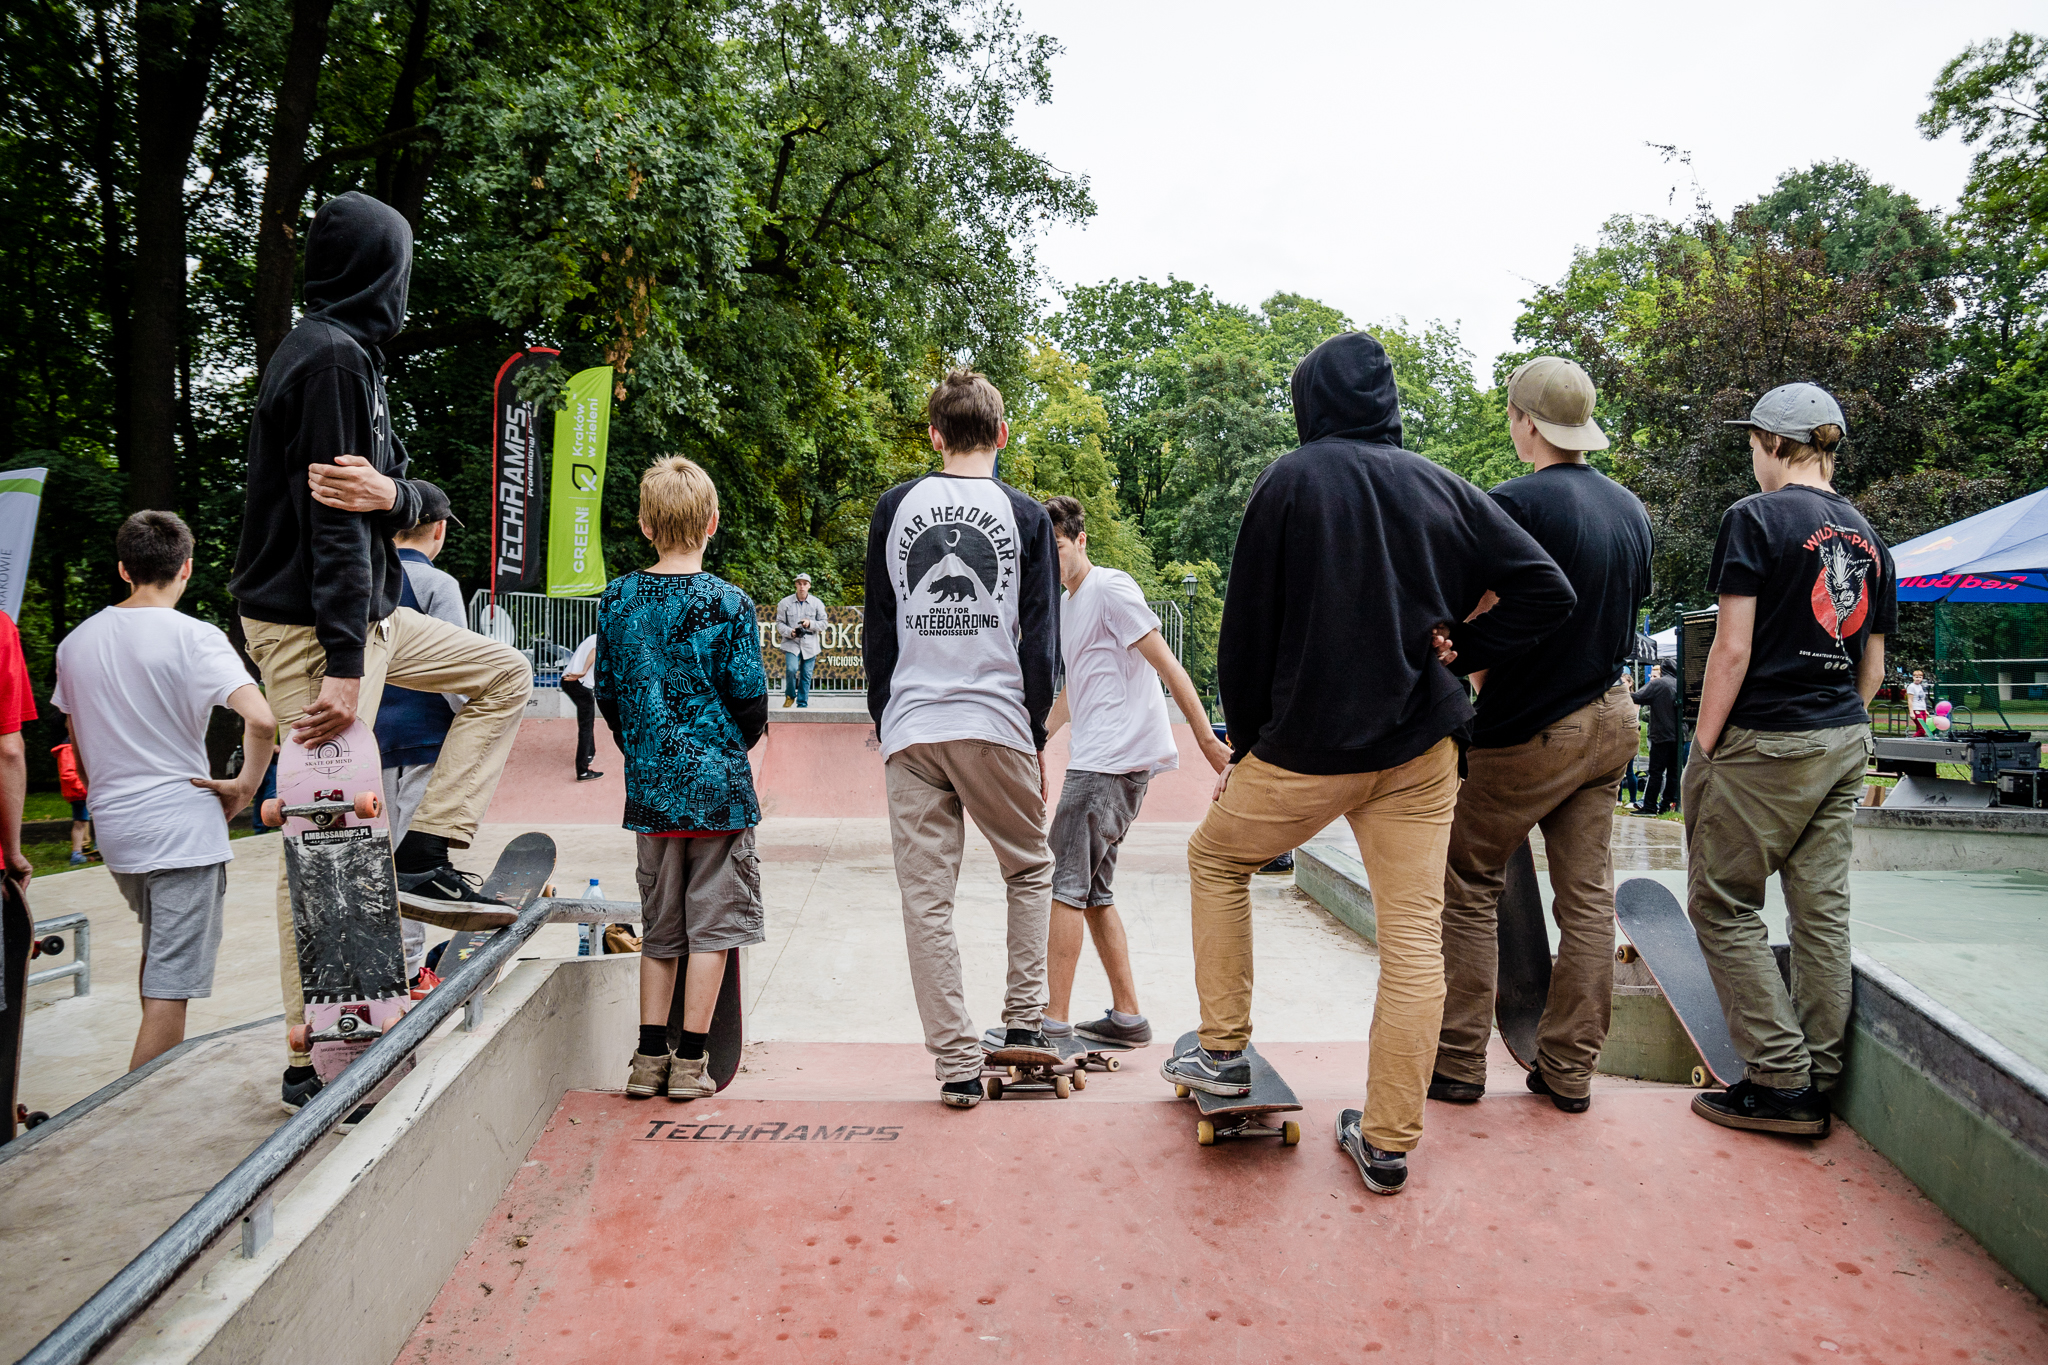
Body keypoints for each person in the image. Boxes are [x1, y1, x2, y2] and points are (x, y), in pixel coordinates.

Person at [1164, 332, 1575, 1196]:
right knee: (1414, 937)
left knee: (1216, 857)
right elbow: (1549, 587)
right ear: (1386, 405)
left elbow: (1243, 633)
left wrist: (1242, 745)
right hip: (1421, 747)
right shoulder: (1438, 484)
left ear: (1312, 401)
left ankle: (1226, 1050)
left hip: (1306, 748)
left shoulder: (1290, 479)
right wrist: (1463, 649)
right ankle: (1387, 1138)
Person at [228, 191, 533, 1111]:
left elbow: (405, 499)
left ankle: (429, 847)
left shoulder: (352, 358)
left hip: (374, 615)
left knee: (501, 673)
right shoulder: (325, 359)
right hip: (314, 626)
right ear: (377, 272)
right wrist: (344, 664)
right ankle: (310, 1044)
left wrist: (395, 496)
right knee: (328, 832)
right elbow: (331, 522)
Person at [1430, 357, 1653, 1115]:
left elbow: (1483, 609)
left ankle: (1458, 1058)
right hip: (1613, 718)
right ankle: (1568, 1070)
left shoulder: (1513, 503)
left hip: (1533, 728)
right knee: (1587, 897)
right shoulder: (1630, 509)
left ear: (1525, 422)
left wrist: (1465, 651)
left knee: (1468, 877)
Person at [1686, 383, 1893, 1139]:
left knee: (1721, 901)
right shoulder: (1870, 537)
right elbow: (1873, 668)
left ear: (1776, 443)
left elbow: (1731, 649)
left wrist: (1704, 747)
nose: (1752, 457)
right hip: (1844, 737)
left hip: (1767, 738)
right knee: (1820, 910)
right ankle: (1820, 1076)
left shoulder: (1753, 519)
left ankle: (1779, 1081)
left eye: (1753, 444)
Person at [864, 369, 1063, 1109]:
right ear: (1002, 435)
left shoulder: (895, 507)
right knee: (1029, 869)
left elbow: (879, 625)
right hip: (995, 721)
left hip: (914, 726)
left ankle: (954, 1064)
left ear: (935, 436)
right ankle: (1022, 1021)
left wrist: (887, 721)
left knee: (927, 900)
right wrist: (1034, 731)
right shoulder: (1025, 516)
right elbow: (1042, 638)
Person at [53, 512, 277, 1071]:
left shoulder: (75, 644)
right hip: (181, 830)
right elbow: (262, 721)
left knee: (160, 960)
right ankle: (132, 1112)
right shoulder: (196, 637)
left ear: (124, 568)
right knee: (172, 983)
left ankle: (142, 1084)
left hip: (118, 831)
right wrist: (246, 786)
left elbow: (76, 737)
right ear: (186, 567)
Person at [599, 457, 769, 1101]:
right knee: (715, 928)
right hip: (719, 791)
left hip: (650, 787)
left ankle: (647, 1059)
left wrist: (643, 746)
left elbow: (609, 693)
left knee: (661, 926)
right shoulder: (729, 603)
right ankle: (692, 1064)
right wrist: (723, 748)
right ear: (712, 524)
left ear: (645, 525)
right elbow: (749, 699)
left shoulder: (618, 599)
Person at [1036, 495, 1231, 1048]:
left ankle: (1051, 1023)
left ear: (1080, 541)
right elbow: (1077, 690)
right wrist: (1037, 742)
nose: (1052, 562)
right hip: (1100, 761)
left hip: (1109, 764)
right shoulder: (1070, 605)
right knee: (1093, 892)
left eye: (1057, 548)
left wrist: (1209, 745)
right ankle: (1128, 1016)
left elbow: (1170, 666)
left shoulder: (1111, 588)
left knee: (1064, 886)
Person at [373, 482, 470, 990]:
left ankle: (381, 969)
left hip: (373, 745)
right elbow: (459, 672)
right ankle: (409, 975)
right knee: (412, 869)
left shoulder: (368, 579)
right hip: (427, 742)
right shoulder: (438, 585)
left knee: (380, 864)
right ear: (439, 531)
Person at [1632, 663, 1682, 814]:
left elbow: (1638, 697)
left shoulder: (1659, 684)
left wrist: (1623, 692)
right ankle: (1666, 805)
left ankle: (1649, 806)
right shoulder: (1680, 684)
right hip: (1679, 736)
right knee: (1673, 774)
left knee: (1656, 772)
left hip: (1661, 734)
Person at [775, 574, 828, 709]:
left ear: (809, 585)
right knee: (791, 669)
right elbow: (779, 624)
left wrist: (810, 623)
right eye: (799, 583)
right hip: (791, 642)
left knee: (806, 675)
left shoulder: (817, 603)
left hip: (810, 644)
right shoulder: (784, 603)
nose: (802, 586)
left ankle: (802, 704)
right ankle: (790, 694)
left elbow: (824, 624)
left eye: (805, 583)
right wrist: (790, 632)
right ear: (795, 585)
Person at [559, 634, 603, 780]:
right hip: (579, 682)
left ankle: (590, 752)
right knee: (586, 725)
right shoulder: (604, 636)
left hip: (567, 680)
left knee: (587, 721)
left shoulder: (594, 635)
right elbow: (595, 651)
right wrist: (584, 671)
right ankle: (583, 771)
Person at [54, 742, 91, 865]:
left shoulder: (72, 748)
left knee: (82, 821)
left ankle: (81, 852)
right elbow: (67, 774)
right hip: (79, 793)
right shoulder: (68, 749)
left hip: (81, 792)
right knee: (80, 823)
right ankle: (76, 854)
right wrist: (83, 788)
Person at [1906, 669, 1930, 736]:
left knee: (1924, 729)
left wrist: (1925, 710)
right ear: (1913, 677)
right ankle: (1912, 741)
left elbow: (1922, 699)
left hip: (1922, 709)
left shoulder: (1920, 686)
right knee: (1922, 729)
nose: (1918, 679)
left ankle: (1920, 743)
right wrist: (1911, 712)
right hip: (1916, 709)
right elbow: (1910, 700)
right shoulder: (1911, 687)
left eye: (1920, 677)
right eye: (1916, 677)